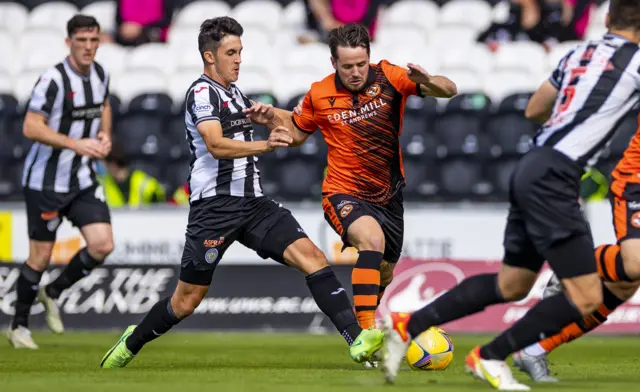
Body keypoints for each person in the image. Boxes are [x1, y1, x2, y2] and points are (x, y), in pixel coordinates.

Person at [381, 0, 640, 389]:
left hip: (530, 164)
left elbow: (535, 108)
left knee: (513, 284)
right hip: (556, 175)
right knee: (586, 296)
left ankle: (407, 326)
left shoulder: (578, 53)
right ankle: (490, 356)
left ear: (606, 19)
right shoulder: (635, 61)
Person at [99, 17, 383, 369]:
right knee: (185, 302)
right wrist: (266, 144)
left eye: (240, 52)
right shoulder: (201, 93)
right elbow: (216, 145)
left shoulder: (235, 94)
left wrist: (278, 116)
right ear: (209, 57)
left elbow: (286, 122)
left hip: (253, 204)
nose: (238, 59)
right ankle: (133, 340)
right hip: (214, 209)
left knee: (314, 259)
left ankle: (357, 341)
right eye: (231, 52)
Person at [246, 23, 456, 364]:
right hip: (342, 191)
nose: (356, 72)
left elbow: (450, 90)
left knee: (384, 272)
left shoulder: (389, 76)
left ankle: (367, 332)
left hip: (388, 195)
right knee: (370, 242)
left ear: (368, 57)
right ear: (333, 63)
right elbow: (298, 133)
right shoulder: (319, 93)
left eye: (361, 64)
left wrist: (427, 80)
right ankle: (364, 334)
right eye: (347, 66)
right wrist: (270, 118)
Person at [7, 15, 114, 349]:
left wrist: (104, 134)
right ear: (68, 43)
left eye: (93, 40)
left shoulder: (100, 74)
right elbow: (30, 127)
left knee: (102, 245)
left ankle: (52, 292)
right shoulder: (53, 79)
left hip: (81, 177)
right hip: (46, 182)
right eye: (81, 40)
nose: (88, 47)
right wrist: (75, 143)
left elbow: (104, 105)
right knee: (39, 258)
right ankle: (18, 327)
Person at [514, 119, 640, 383]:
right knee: (635, 265)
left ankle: (533, 350)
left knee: (624, 285)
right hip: (637, 179)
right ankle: (576, 265)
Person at [98, 140, 166, 207]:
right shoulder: (102, 184)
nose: (102, 166)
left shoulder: (144, 183)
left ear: (112, 164)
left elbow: (159, 210)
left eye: (103, 163)